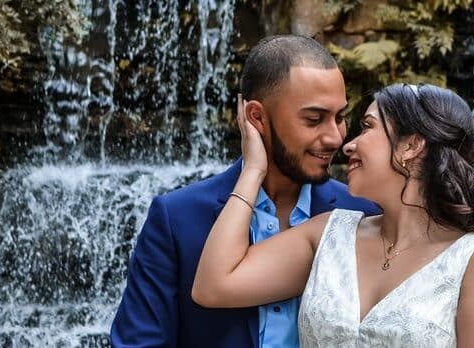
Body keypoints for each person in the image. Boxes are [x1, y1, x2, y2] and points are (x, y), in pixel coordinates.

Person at [193, 83, 474, 347]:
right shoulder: (327, 234)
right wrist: (253, 169)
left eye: (367, 127)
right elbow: (213, 286)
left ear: (411, 145)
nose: (347, 145)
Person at [110, 35, 380, 347]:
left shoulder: (362, 214)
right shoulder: (176, 218)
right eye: (314, 119)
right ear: (256, 118)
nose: (335, 137)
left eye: (339, 117)